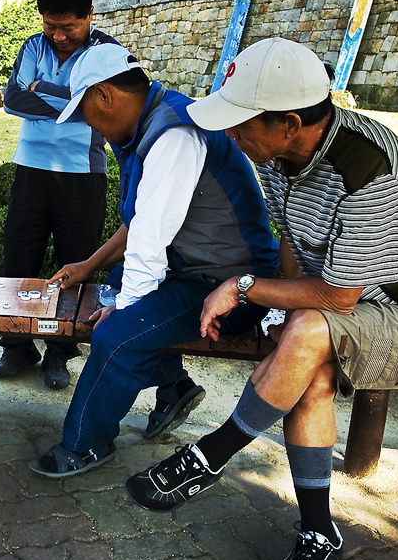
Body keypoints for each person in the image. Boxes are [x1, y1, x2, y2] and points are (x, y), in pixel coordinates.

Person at [125, 37, 398, 560]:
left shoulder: (370, 169)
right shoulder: (278, 156)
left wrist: (244, 287)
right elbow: (294, 241)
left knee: (311, 329)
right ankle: (318, 533)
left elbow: (337, 299)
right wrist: (281, 308)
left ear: (289, 124)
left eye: (241, 123)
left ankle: (210, 455)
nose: (229, 135)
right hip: (346, 312)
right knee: (308, 368)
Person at [28, 43, 280, 477]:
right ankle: (175, 387)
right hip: (194, 269)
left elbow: (149, 237)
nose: (91, 126)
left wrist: (125, 310)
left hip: (230, 288)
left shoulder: (173, 135)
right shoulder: (150, 122)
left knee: (117, 335)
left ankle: (85, 444)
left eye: (86, 113)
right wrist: (90, 266)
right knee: (115, 287)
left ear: (105, 95)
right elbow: (143, 219)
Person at [0, 0, 120, 390]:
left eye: (69, 27)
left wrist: (42, 89)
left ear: (90, 16)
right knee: (19, 260)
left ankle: (60, 351)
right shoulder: (33, 46)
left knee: (76, 262)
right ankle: (16, 345)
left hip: (83, 174)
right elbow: (13, 99)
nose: (59, 36)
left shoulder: (106, 54)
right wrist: (73, 101)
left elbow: (103, 106)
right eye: (51, 26)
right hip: (30, 168)